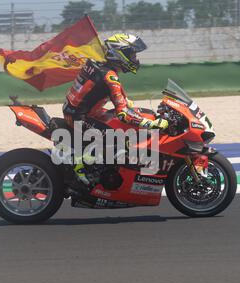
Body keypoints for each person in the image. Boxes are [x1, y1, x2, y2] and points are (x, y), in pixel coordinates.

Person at [62, 33, 169, 185]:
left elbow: (122, 100)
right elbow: (123, 114)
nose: (134, 59)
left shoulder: (99, 65)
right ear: (119, 54)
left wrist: (138, 111)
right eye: (131, 54)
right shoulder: (110, 77)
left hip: (81, 111)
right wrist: (151, 124)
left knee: (125, 122)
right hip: (80, 118)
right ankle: (80, 168)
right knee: (122, 138)